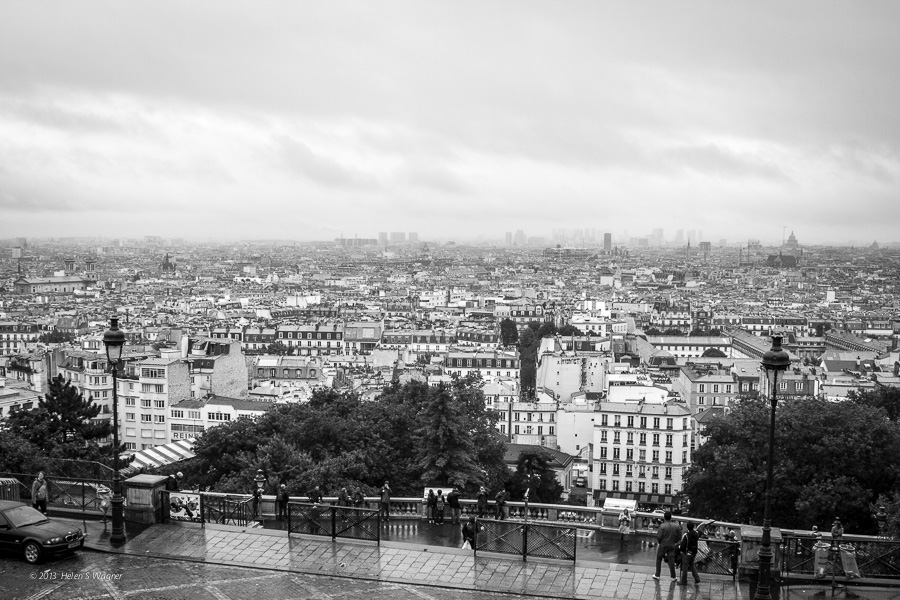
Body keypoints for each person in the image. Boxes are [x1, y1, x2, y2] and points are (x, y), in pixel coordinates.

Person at [653, 511, 682, 581]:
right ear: (671, 517)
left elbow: (659, 537)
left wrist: (660, 542)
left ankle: (657, 574)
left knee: (659, 559)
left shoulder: (662, 526)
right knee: (671, 560)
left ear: (664, 517)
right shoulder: (676, 526)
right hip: (672, 544)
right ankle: (673, 576)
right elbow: (679, 536)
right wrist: (675, 542)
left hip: (663, 544)